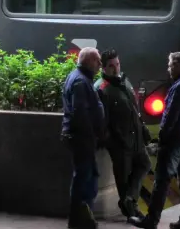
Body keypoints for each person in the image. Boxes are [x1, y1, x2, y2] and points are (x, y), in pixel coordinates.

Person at [130, 52, 180, 229]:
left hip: (174, 141)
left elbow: (170, 117)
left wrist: (161, 140)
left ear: (179, 66)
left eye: (171, 65)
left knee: (162, 180)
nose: (169, 69)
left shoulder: (178, 87)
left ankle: (151, 220)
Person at [94, 49, 151, 221]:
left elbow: (134, 109)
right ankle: (131, 212)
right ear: (103, 68)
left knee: (145, 164)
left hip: (136, 137)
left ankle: (129, 200)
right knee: (123, 178)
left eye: (117, 64)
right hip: (120, 142)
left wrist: (142, 129)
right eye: (111, 66)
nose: (116, 68)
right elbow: (102, 121)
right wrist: (112, 141)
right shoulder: (102, 89)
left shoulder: (124, 81)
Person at [61, 47, 105, 229]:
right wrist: (92, 135)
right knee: (83, 178)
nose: (100, 65)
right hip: (82, 138)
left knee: (89, 176)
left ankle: (83, 216)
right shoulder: (80, 81)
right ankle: (78, 219)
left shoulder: (80, 78)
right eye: (98, 61)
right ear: (89, 61)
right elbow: (81, 113)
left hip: (83, 137)